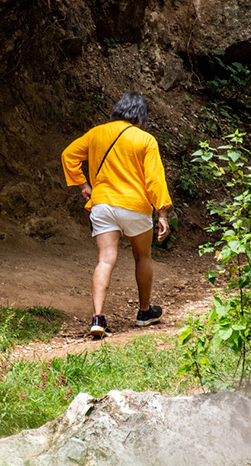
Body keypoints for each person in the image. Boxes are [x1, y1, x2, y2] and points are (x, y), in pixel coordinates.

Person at [62, 92, 173, 338]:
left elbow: (68, 155)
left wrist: (83, 185)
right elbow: (155, 179)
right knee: (142, 257)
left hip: (103, 206)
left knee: (105, 260)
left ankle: (98, 318)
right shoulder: (145, 140)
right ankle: (144, 313)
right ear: (140, 116)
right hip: (135, 207)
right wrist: (162, 213)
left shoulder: (96, 133)